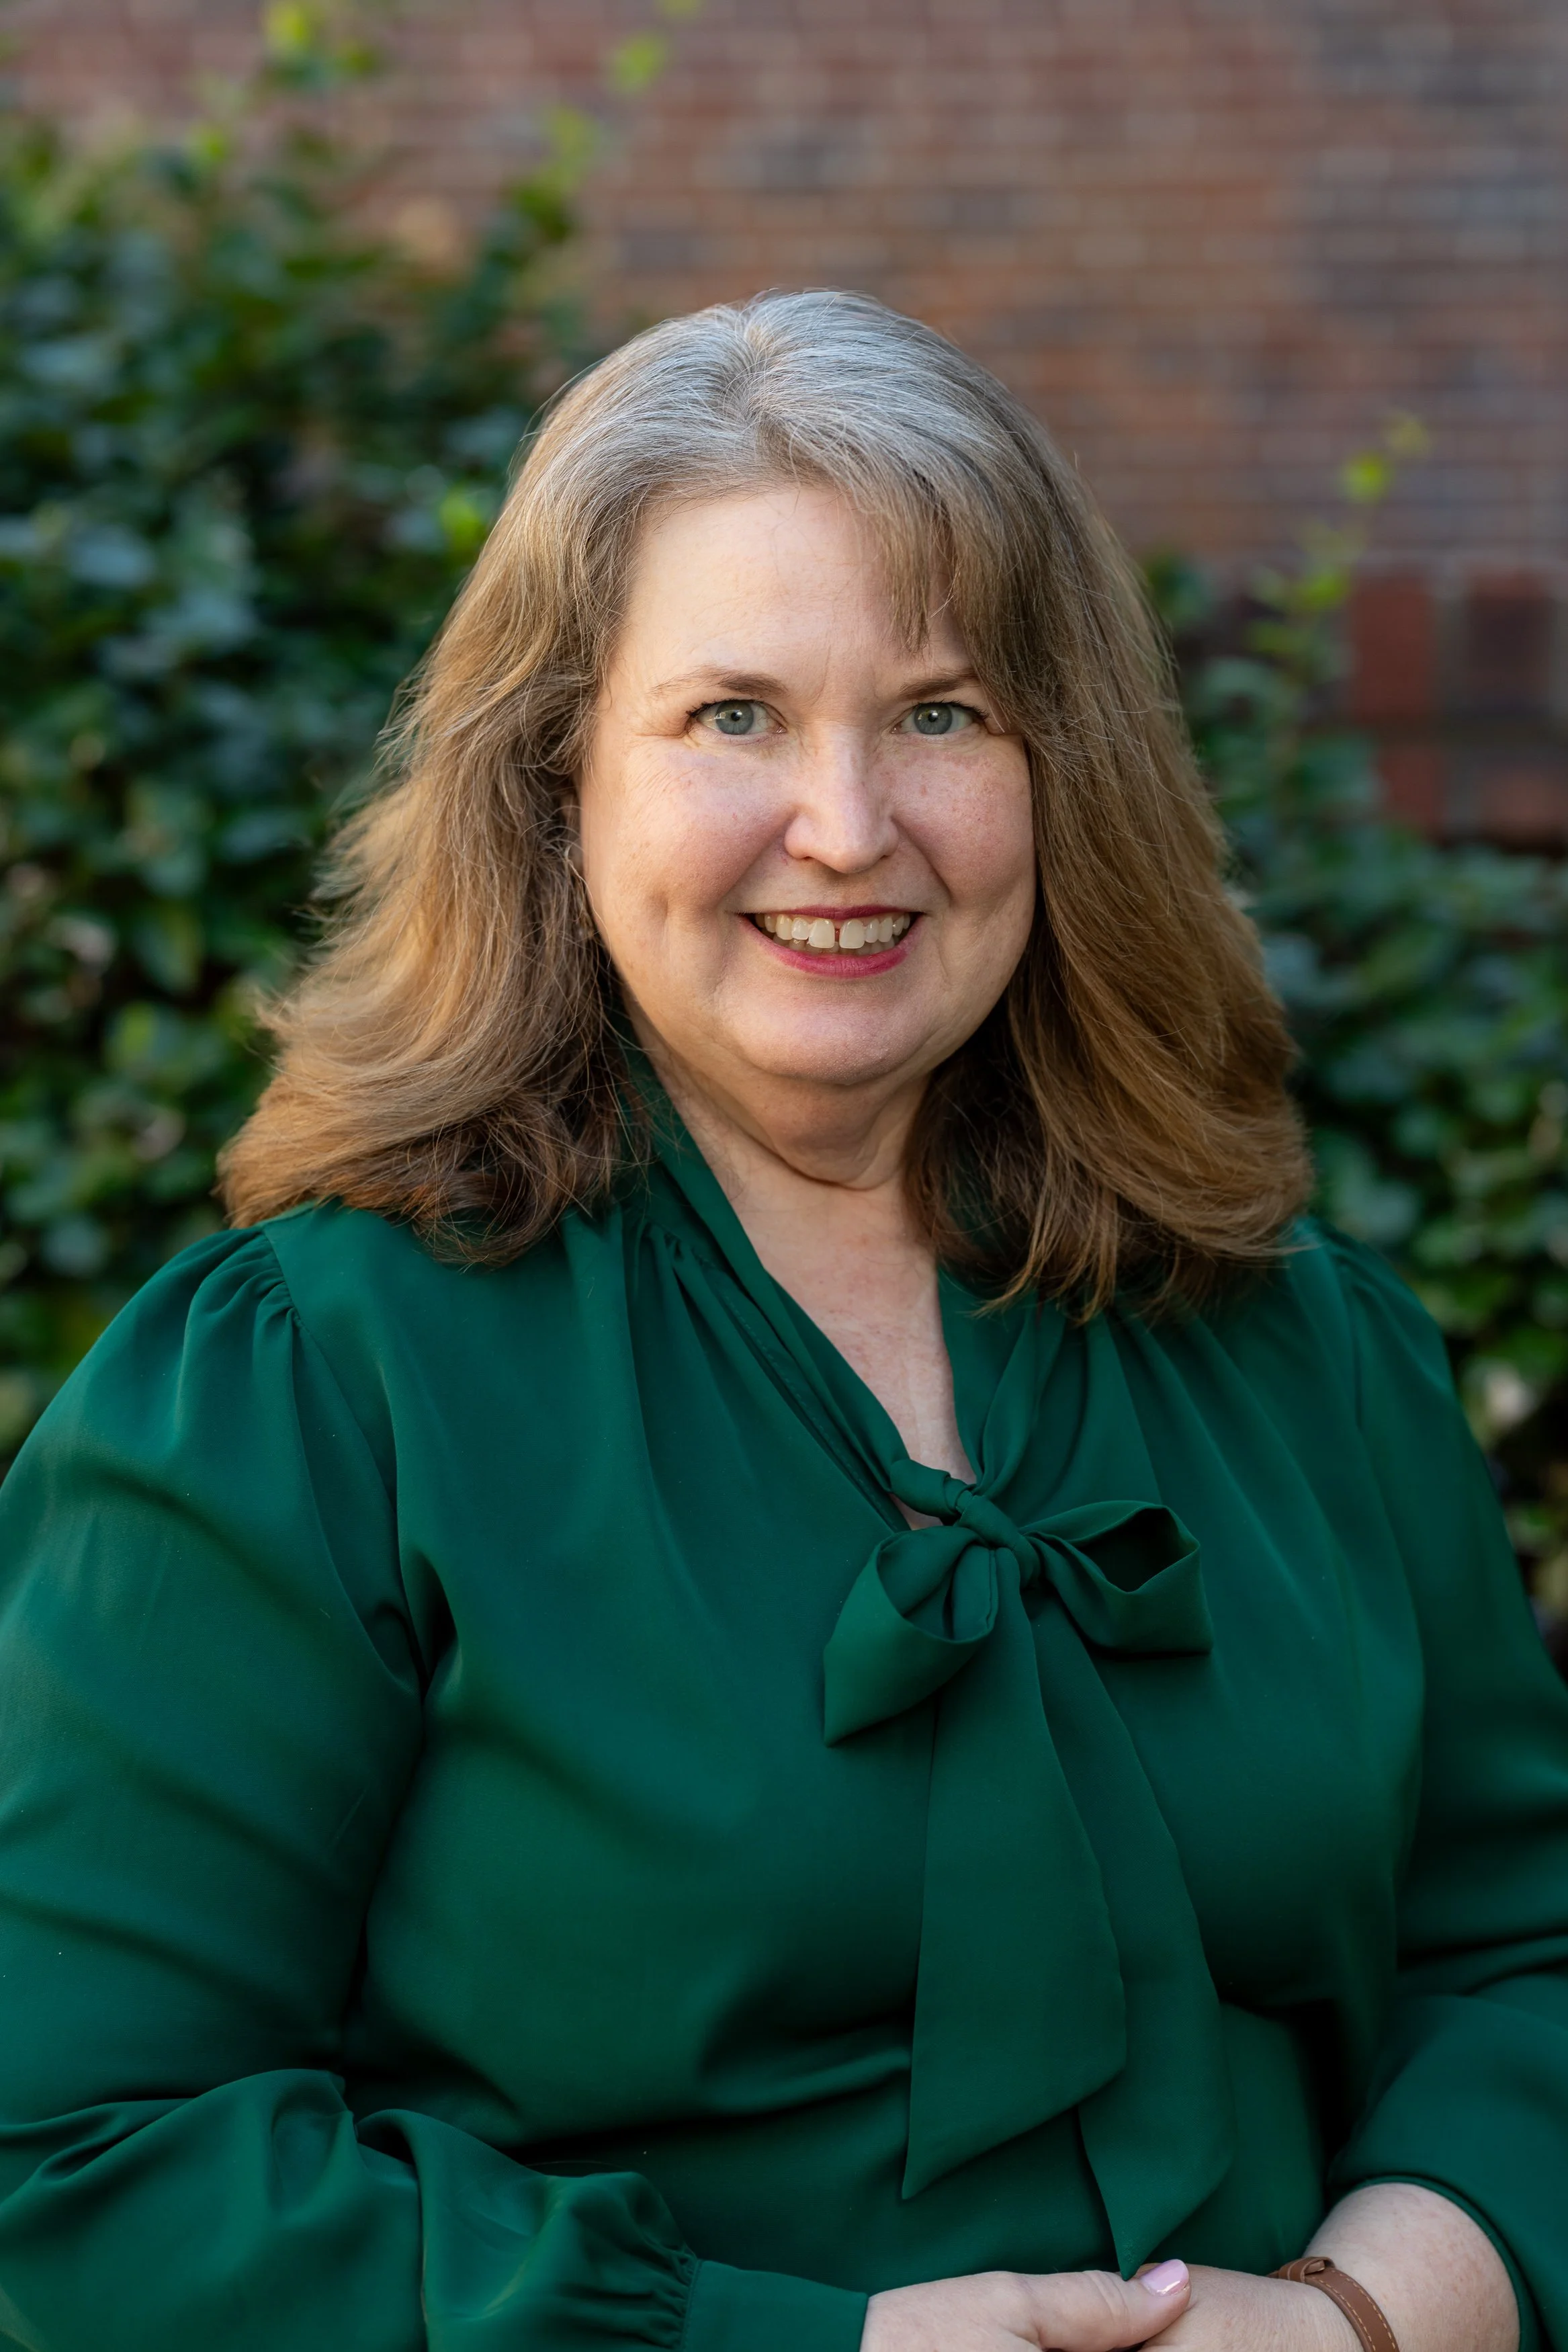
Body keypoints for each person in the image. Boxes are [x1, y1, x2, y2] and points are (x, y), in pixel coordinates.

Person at [1, 292, 1565, 2352]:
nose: (845, 824)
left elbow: (1526, 1959)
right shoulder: (312, 1386)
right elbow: (74, 2155)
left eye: (940, 711)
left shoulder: (1308, 1356)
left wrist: (1363, 2321)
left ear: (1058, 774)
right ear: (559, 778)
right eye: (731, 713)